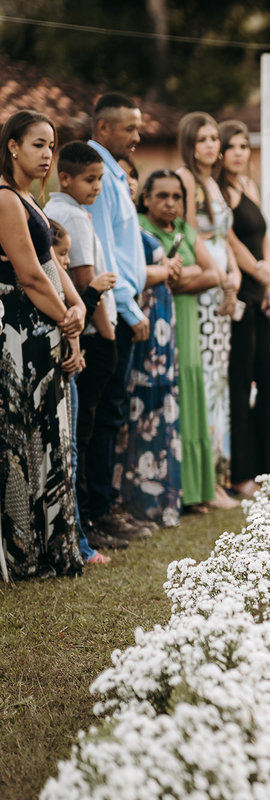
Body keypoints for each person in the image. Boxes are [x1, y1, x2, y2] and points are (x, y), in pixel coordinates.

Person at [0, 110, 85, 579]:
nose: (48, 154)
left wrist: (78, 309)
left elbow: (53, 264)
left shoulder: (34, 201)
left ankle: (56, 546)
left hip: (45, 324)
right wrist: (66, 320)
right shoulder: (5, 199)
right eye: (38, 144)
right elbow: (29, 275)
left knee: (53, 434)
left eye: (51, 145)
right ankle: (27, 552)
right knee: (27, 435)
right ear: (12, 146)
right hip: (17, 329)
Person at [45, 142, 125, 551]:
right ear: (67, 178)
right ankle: (89, 518)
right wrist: (108, 335)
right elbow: (82, 280)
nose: (96, 187)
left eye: (100, 180)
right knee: (88, 431)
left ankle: (89, 516)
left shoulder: (54, 210)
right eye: (90, 180)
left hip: (80, 331)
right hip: (90, 333)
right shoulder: (72, 216)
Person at [86, 93, 156, 541]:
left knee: (112, 413)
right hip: (112, 311)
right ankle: (98, 510)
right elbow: (103, 252)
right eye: (129, 128)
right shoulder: (98, 177)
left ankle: (107, 504)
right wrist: (129, 309)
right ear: (104, 128)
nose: (137, 135)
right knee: (104, 414)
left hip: (124, 305)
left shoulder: (115, 174)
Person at [137, 169, 220, 512]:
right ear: (146, 198)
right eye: (162, 196)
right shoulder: (141, 227)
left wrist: (173, 277)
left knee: (190, 393)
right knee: (166, 398)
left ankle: (196, 490)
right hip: (156, 324)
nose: (170, 203)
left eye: (176, 197)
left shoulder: (185, 229)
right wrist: (188, 274)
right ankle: (172, 489)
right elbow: (142, 275)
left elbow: (213, 273)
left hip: (185, 318)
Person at [176, 112, 239, 510]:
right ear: (189, 143)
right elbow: (189, 232)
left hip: (221, 286)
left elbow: (222, 236)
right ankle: (204, 482)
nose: (212, 145)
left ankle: (220, 476)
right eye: (202, 139)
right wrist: (217, 274)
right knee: (206, 382)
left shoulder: (214, 182)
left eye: (215, 138)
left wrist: (232, 273)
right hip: (202, 287)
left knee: (220, 382)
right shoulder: (185, 180)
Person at [118, 161, 184, 527]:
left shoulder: (131, 223)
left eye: (130, 175)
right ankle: (134, 499)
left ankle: (162, 499)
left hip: (161, 322)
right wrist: (165, 271)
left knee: (161, 404)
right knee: (136, 407)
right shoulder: (129, 226)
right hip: (139, 320)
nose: (125, 181)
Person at [218, 119, 270, 497]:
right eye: (233, 146)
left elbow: (264, 236)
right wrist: (254, 268)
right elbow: (228, 238)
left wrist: (269, 277)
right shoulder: (220, 193)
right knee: (240, 384)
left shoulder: (249, 186)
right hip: (240, 294)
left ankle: (262, 469)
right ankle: (241, 475)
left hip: (261, 293)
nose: (240, 153)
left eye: (245, 146)